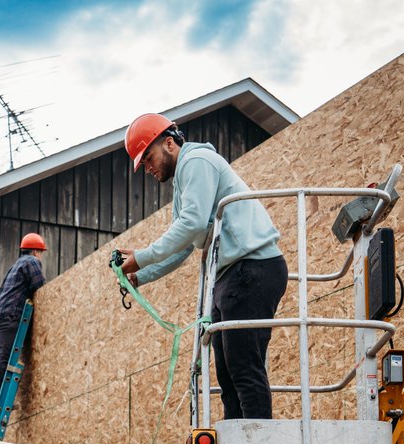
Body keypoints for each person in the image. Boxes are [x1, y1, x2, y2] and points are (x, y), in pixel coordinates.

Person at [117, 113, 288, 420]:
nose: (149, 169)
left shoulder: (196, 161)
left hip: (251, 268)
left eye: (149, 159)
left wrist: (142, 256)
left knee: (244, 368)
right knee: (228, 373)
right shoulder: (183, 182)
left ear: (169, 143)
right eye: (143, 165)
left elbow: (191, 223)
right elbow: (184, 243)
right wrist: (140, 275)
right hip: (231, 275)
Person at [0, 233, 46, 406]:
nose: (40, 256)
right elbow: (40, 287)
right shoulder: (32, 262)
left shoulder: (15, 266)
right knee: (3, 355)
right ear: (35, 251)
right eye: (41, 252)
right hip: (9, 315)